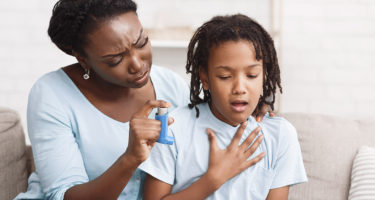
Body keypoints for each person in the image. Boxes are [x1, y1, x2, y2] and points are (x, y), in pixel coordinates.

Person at [15, 1, 271, 200]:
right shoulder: (52, 95)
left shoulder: (169, 85)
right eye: (115, 59)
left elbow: (212, 116)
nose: (138, 64)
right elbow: (63, 196)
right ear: (83, 59)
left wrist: (251, 107)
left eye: (142, 42)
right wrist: (130, 158)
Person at [140, 14, 308, 200]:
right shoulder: (173, 129)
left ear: (264, 76)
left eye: (251, 75)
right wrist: (213, 179)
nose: (239, 88)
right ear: (205, 78)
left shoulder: (280, 135)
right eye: (225, 77)